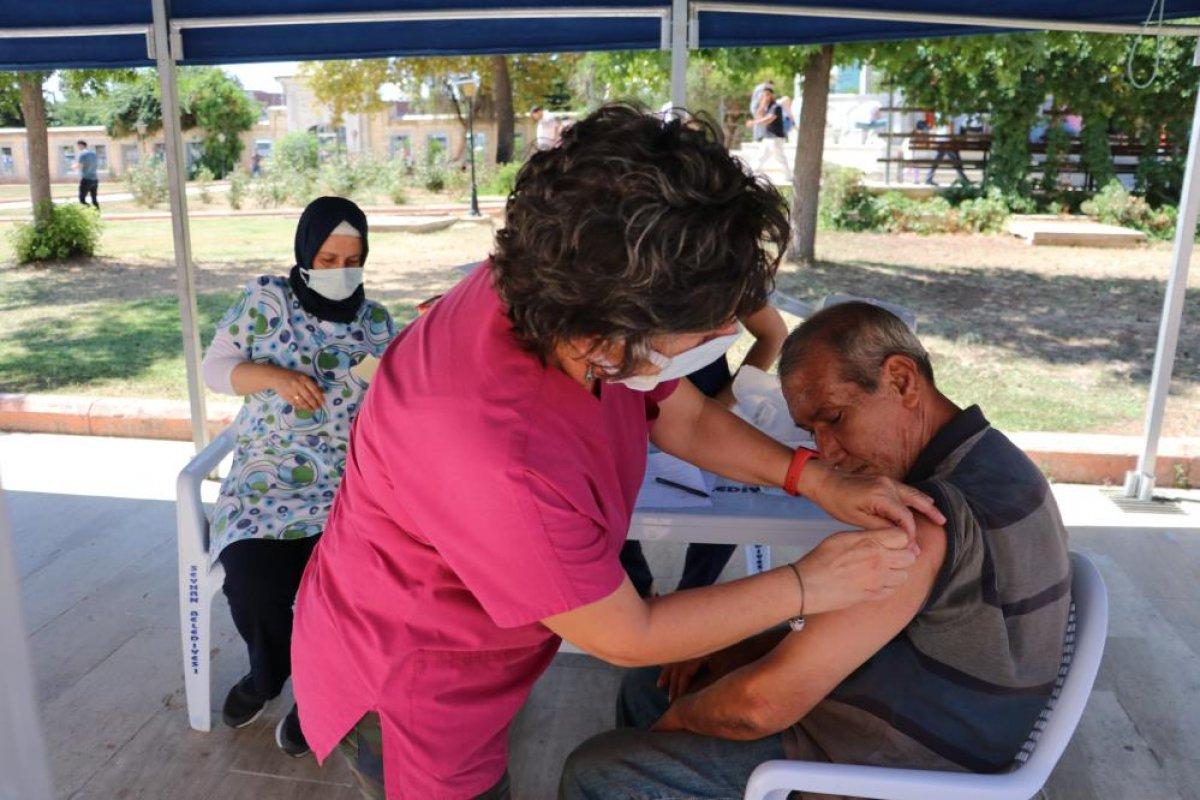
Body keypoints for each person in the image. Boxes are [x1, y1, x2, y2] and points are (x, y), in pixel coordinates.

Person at [290, 105, 943, 800]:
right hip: (408, 675)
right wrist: (810, 583)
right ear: (609, 333)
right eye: (706, 328)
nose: (728, 332)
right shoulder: (497, 451)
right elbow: (628, 634)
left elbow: (684, 417)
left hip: (469, 635)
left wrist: (813, 480)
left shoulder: (560, 293)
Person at [561, 302, 1072, 800]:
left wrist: (676, 724)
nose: (827, 453)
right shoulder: (998, 459)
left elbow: (760, 706)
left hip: (902, 766)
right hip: (945, 723)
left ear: (901, 380)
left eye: (835, 418)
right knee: (653, 684)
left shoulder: (922, 522)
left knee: (601, 770)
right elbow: (856, 632)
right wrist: (730, 652)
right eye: (812, 432)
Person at [201, 196, 396, 759]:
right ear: (306, 253)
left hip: (344, 491)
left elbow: (395, 400)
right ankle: (267, 674)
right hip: (263, 485)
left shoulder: (376, 323)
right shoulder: (265, 301)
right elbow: (215, 370)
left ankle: (318, 702)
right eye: (328, 260)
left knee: (349, 595)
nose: (340, 272)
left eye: (352, 261)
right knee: (253, 586)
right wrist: (274, 377)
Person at [619, 304, 789, 596]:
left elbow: (773, 333)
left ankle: (691, 593)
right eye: (712, 327)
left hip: (707, 406)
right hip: (630, 416)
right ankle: (641, 588)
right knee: (615, 508)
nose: (727, 330)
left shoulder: (727, 280)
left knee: (728, 509)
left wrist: (722, 403)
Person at [747, 87, 790, 176]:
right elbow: (759, 117)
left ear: (772, 95)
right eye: (764, 95)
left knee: (780, 158)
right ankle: (752, 174)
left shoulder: (776, 107)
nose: (765, 97)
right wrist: (762, 105)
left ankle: (789, 176)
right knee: (760, 157)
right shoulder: (767, 107)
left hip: (775, 137)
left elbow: (769, 119)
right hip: (767, 137)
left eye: (767, 95)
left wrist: (753, 123)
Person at [74, 140, 99, 210]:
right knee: (94, 199)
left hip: (86, 179)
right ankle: (97, 212)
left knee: (82, 199)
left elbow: (80, 165)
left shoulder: (82, 154)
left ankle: (89, 211)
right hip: (95, 179)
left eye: (78, 146)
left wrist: (74, 166)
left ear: (81, 145)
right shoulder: (93, 154)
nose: (78, 148)